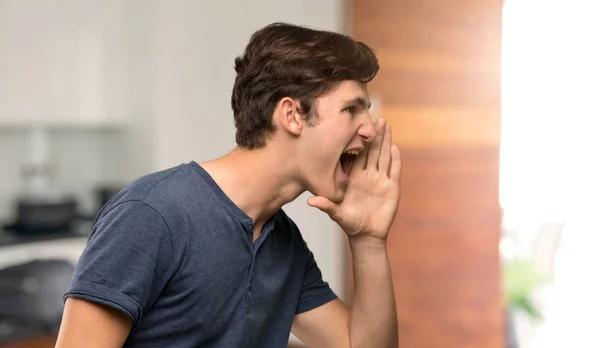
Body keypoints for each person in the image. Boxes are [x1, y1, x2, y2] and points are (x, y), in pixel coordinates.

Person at [55, 22, 401, 348]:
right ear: (292, 115)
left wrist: (368, 242)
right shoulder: (151, 215)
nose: (370, 129)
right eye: (351, 109)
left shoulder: (283, 243)